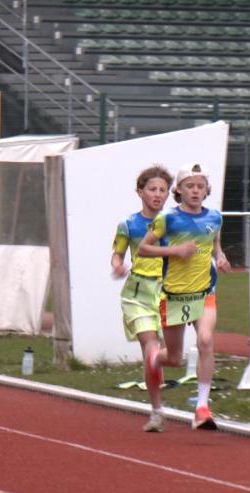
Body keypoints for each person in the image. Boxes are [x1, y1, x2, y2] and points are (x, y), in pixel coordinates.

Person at [138, 163, 230, 430]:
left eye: (200, 186)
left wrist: (221, 258)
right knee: (174, 358)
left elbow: (215, 246)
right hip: (175, 296)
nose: (196, 191)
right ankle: (154, 357)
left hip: (204, 292)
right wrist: (175, 251)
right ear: (179, 190)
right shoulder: (167, 219)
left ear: (207, 190)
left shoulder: (214, 217)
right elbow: (143, 249)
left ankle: (202, 408)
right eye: (190, 186)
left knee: (205, 340)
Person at [112, 165, 172, 432]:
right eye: (152, 189)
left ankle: (157, 389)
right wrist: (117, 266)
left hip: (168, 291)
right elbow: (117, 254)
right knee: (150, 348)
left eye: (163, 190)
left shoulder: (175, 222)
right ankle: (157, 410)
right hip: (137, 293)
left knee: (166, 354)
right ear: (140, 192)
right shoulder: (128, 224)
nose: (157, 194)